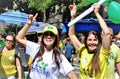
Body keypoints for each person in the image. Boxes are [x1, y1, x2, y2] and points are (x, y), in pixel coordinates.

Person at [16, 14, 78, 79]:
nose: (48, 36)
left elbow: (73, 75)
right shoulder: (36, 48)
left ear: (55, 38)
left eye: (51, 35)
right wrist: (28, 24)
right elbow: (18, 38)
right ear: (43, 37)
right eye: (46, 34)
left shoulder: (58, 56)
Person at [69, 3, 111, 79]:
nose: (92, 42)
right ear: (86, 41)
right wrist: (73, 17)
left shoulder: (103, 52)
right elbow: (71, 35)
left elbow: (107, 33)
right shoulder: (83, 50)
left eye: (95, 40)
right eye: (90, 40)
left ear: (99, 42)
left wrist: (97, 13)